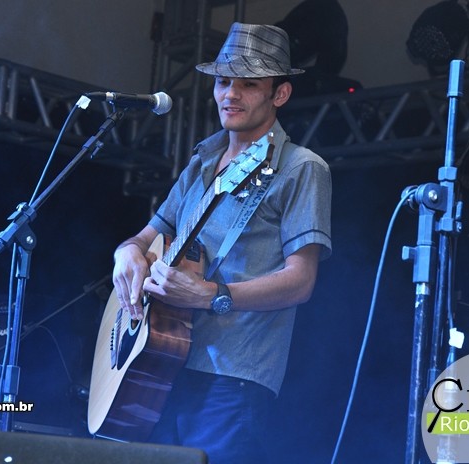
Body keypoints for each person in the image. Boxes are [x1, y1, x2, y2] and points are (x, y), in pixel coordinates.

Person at [110, 22, 332, 464]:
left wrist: (212, 295)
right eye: (224, 81)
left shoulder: (301, 168)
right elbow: (146, 235)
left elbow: (301, 280)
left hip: (234, 375)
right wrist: (126, 252)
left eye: (249, 84)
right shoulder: (201, 162)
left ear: (280, 94)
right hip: (164, 362)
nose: (231, 94)